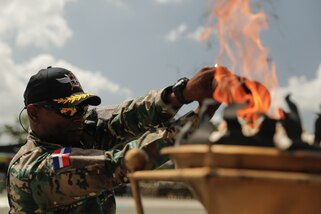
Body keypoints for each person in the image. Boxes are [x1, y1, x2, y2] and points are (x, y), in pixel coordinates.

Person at [6, 66, 220, 214]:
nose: (80, 117)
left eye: (82, 107)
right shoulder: (32, 169)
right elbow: (117, 164)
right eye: (69, 109)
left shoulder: (75, 128)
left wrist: (180, 94)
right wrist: (200, 118)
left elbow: (125, 116)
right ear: (34, 114)